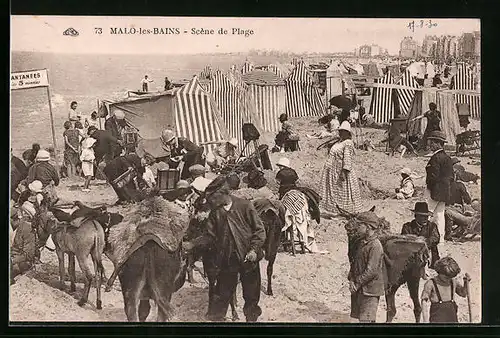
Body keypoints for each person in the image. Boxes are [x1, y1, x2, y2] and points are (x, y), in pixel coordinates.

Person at [182, 176, 266, 322]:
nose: (211, 201)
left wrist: (253, 250)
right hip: (227, 260)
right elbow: (210, 236)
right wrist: (193, 244)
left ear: (223, 194)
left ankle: (251, 321)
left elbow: (259, 231)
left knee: (251, 294)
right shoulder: (216, 213)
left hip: (248, 258)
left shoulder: (245, 206)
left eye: (213, 197)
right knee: (221, 295)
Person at [348, 211, 385, 323]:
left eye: (360, 225)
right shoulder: (361, 242)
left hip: (370, 292)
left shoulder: (375, 245)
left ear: (368, 227)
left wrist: (357, 283)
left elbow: (372, 271)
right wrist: (351, 279)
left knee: (366, 322)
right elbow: (355, 263)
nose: (357, 228)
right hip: (359, 290)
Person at [319, 121, 362, 217]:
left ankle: (345, 212)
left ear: (347, 133)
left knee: (343, 192)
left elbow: (347, 159)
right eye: (340, 131)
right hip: (333, 171)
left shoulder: (348, 143)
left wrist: (344, 172)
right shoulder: (340, 142)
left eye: (343, 131)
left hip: (340, 171)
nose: (341, 133)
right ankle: (334, 211)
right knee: (334, 192)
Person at [421, 257, 471, 323]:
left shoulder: (453, 282)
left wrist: (465, 283)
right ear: (439, 271)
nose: (448, 279)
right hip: (437, 320)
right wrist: (425, 320)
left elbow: (463, 294)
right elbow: (424, 301)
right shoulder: (431, 283)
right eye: (446, 277)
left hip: (452, 319)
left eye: (450, 277)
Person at [425, 130, 454, 246]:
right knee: (440, 215)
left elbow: (433, 176)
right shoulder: (447, 158)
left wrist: (430, 187)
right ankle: (440, 238)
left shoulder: (436, 158)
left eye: (431, 142)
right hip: (445, 191)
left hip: (435, 190)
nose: (430, 145)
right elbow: (451, 176)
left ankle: (424, 237)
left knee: (427, 214)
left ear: (438, 143)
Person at [401, 202, 441, 268]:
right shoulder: (407, 227)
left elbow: (435, 239)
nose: (425, 218)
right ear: (416, 216)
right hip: (412, 256)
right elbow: (405, 241)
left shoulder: (432, 226)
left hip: (429, 257)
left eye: (426, 216)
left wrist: (420, 243)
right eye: (422, 216)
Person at [10, 202, 41, 284]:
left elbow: (28, 255)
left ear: (14, 219)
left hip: (21, 262)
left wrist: (11, 260)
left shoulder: (27, 229)